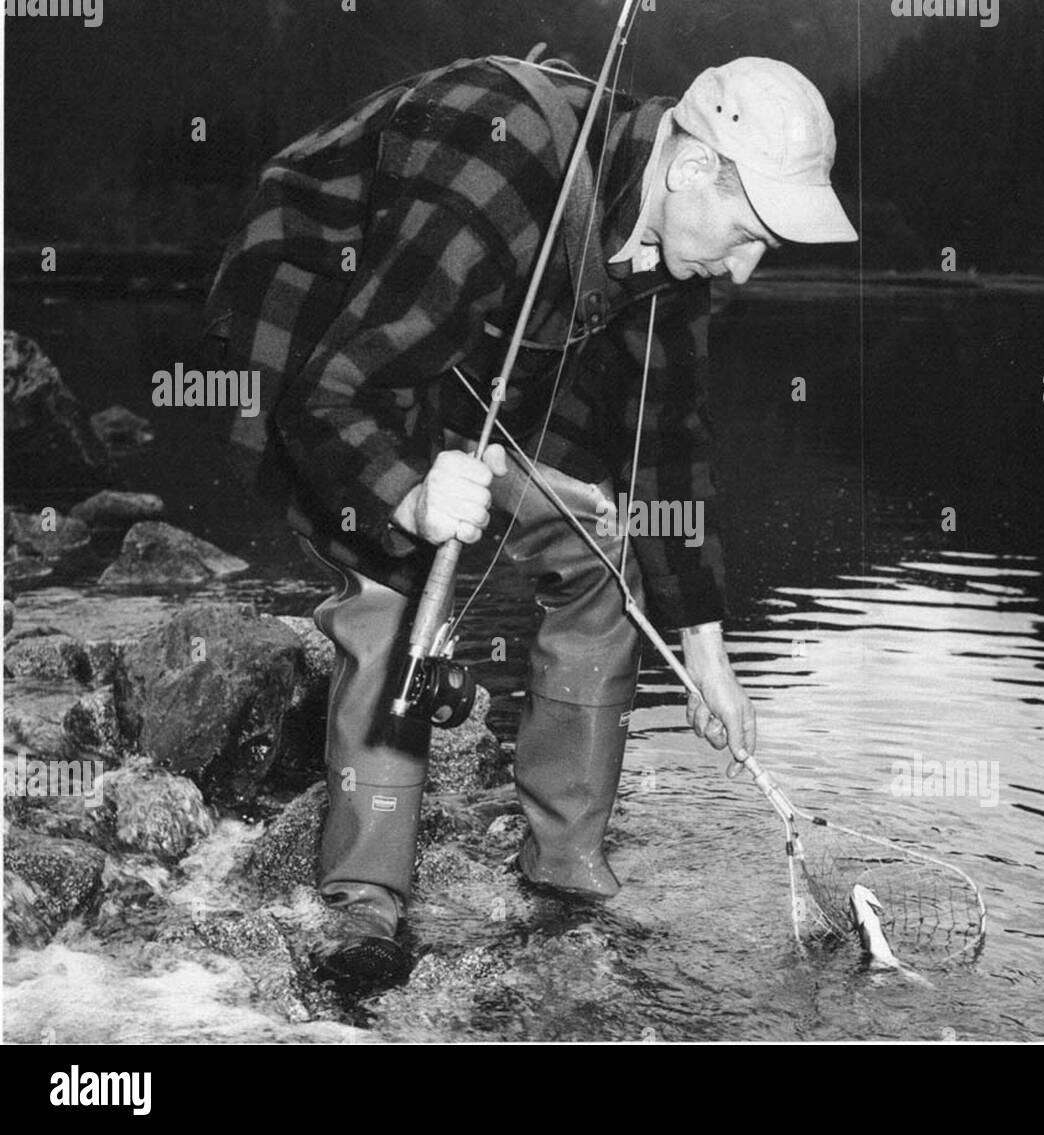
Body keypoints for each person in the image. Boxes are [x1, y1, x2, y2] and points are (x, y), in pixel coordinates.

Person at [205, 52, 857, 984]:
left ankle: (565, 875)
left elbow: (670, 445)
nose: (747, 271)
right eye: (749, 234)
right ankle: (363, 909)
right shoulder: (500, 166)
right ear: (690, 167)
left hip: (467, 336)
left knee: (600, 549)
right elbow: (340, 388)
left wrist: (709, 653)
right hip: (325, 315)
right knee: (398, 588)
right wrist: (410, 493)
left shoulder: (672, 249)